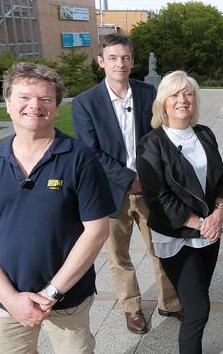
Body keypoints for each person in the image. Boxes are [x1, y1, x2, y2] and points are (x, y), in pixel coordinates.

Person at [0, 62, 114, 353]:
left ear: (56, 107)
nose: (35, 105)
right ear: (8, 104)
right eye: (24, 97)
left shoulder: (80, 158)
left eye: (45, 99)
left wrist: (52, 292)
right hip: (4, 302)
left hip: (68, 299)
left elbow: (97, 231)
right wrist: (10, 298)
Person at [72, 33, 180, 334]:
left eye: (125, 58)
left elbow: (162, 135)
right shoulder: (85, 103)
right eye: (113, 58)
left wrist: (149, 175)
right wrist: (128, 178)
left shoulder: (148, 93)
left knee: (161, 248)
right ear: (101, 61)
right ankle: (132, 309)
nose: (120, 63)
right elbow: (89, 151)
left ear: (132, 61)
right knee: (119, 256)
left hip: (150, 189)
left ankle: (170, 303)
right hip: (110, 193)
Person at [136, 71, 223, 353]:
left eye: (188, 93)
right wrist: (201, 223)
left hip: (209, 234)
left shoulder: (204, 134)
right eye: (175, 94)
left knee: (196, 301)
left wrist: (219, 211)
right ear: (163, 102)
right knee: (199, 310)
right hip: (178, 237)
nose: (183, 100)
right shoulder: (152, 143)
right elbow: (158, 198)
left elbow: (222, 177)